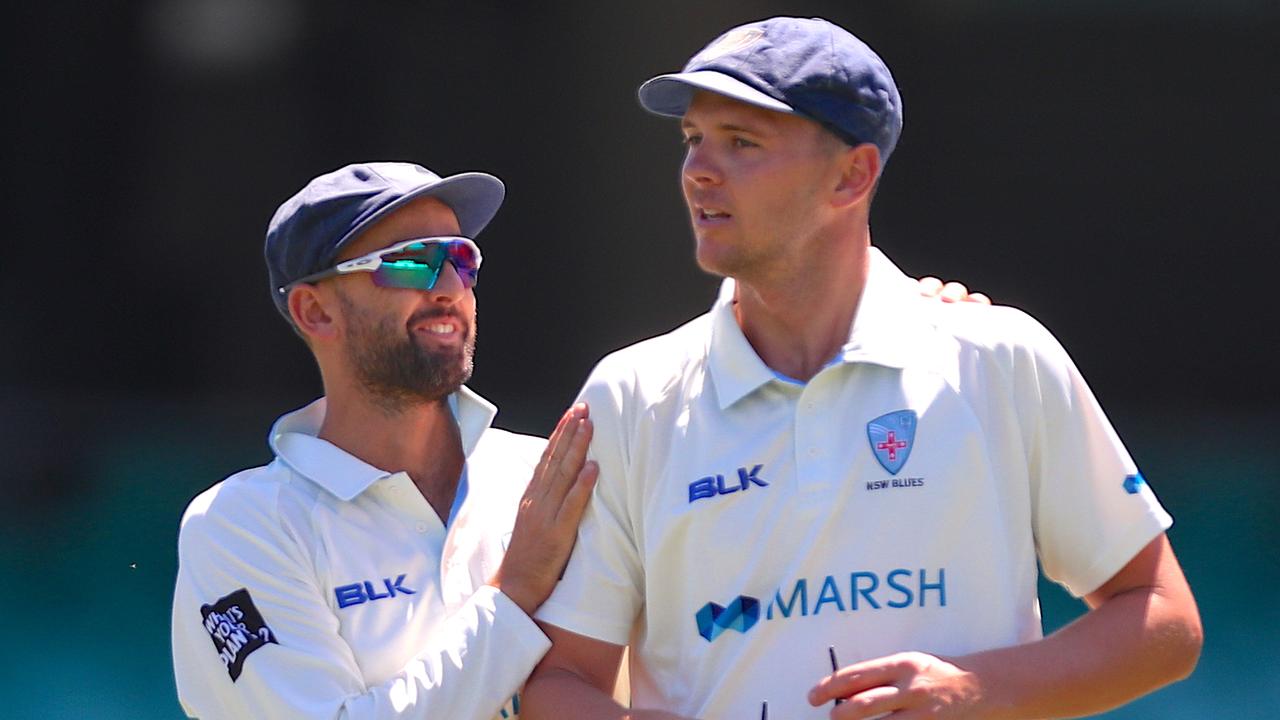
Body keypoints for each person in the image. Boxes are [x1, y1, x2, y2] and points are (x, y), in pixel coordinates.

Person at [524, 16, 1202, 720]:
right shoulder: (631, 396)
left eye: (741, 143)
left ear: (852, 176)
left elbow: (1164, 623)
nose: (697, 170)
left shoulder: (1001, 360)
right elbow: (557, 680)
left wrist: (973, 690)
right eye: (694, 139)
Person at [170, 162, 600, 719]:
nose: (449, 288)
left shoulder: (547, 474)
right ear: (315, 311)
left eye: (460, 259)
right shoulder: (242, 524)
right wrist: (515, 590)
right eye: (412, 263)